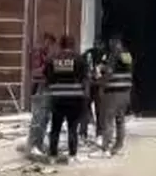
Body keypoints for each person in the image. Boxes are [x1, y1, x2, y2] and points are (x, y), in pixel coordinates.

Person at [44, 34, 90, 163]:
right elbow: (85, 78)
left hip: (57, 97)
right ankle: (72, 155)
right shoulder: (79, 59)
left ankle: (52, 155)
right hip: (75, 98)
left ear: (61, 45)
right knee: (72, 128)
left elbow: (47, 76)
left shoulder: (52, 58)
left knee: (55, 128)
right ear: (73, 45)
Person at [99, 35, 134, 156]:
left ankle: (106, 147)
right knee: (120, 119)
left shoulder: (114, 54)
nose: (110, 44)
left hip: (113, 92)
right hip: (126, 92)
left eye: (111, 41)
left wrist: (102, 84)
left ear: (115, 41)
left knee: (108, 119)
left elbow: (109, 72)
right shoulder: (127, 55)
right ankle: (118, 145)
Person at [27, 33, 57, 154]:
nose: (49, 46)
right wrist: (49, 69)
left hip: (46, 87)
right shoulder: (38, 53)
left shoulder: (46, 54)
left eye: (51, 44)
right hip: (39, 87)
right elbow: (35, 71)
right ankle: (34, 145)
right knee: (38, 117)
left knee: (44, 118)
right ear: (45, 41)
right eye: (48, 43)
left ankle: (38, 144)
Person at [78, 37, 107, 143]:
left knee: (89, 109)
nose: (98, 46)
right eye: (97, 44)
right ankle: (96, 133)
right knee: (95, 109)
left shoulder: (88, 53)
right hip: (94, 85)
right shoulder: (103, 54)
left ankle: (86, 133)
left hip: (90, 84)